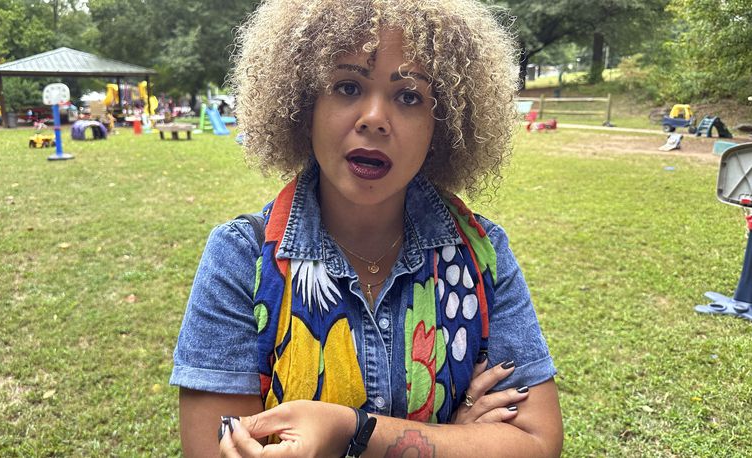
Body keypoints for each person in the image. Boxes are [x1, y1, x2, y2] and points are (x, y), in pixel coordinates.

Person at [170, 0, 563, 456]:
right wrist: (456, 439)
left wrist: (349, 432)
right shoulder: (242, 259)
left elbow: (537, 443)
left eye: (409, 96)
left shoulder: (481, 254)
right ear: (304, 104)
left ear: (443, 121)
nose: (374, 117)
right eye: (347, 86)